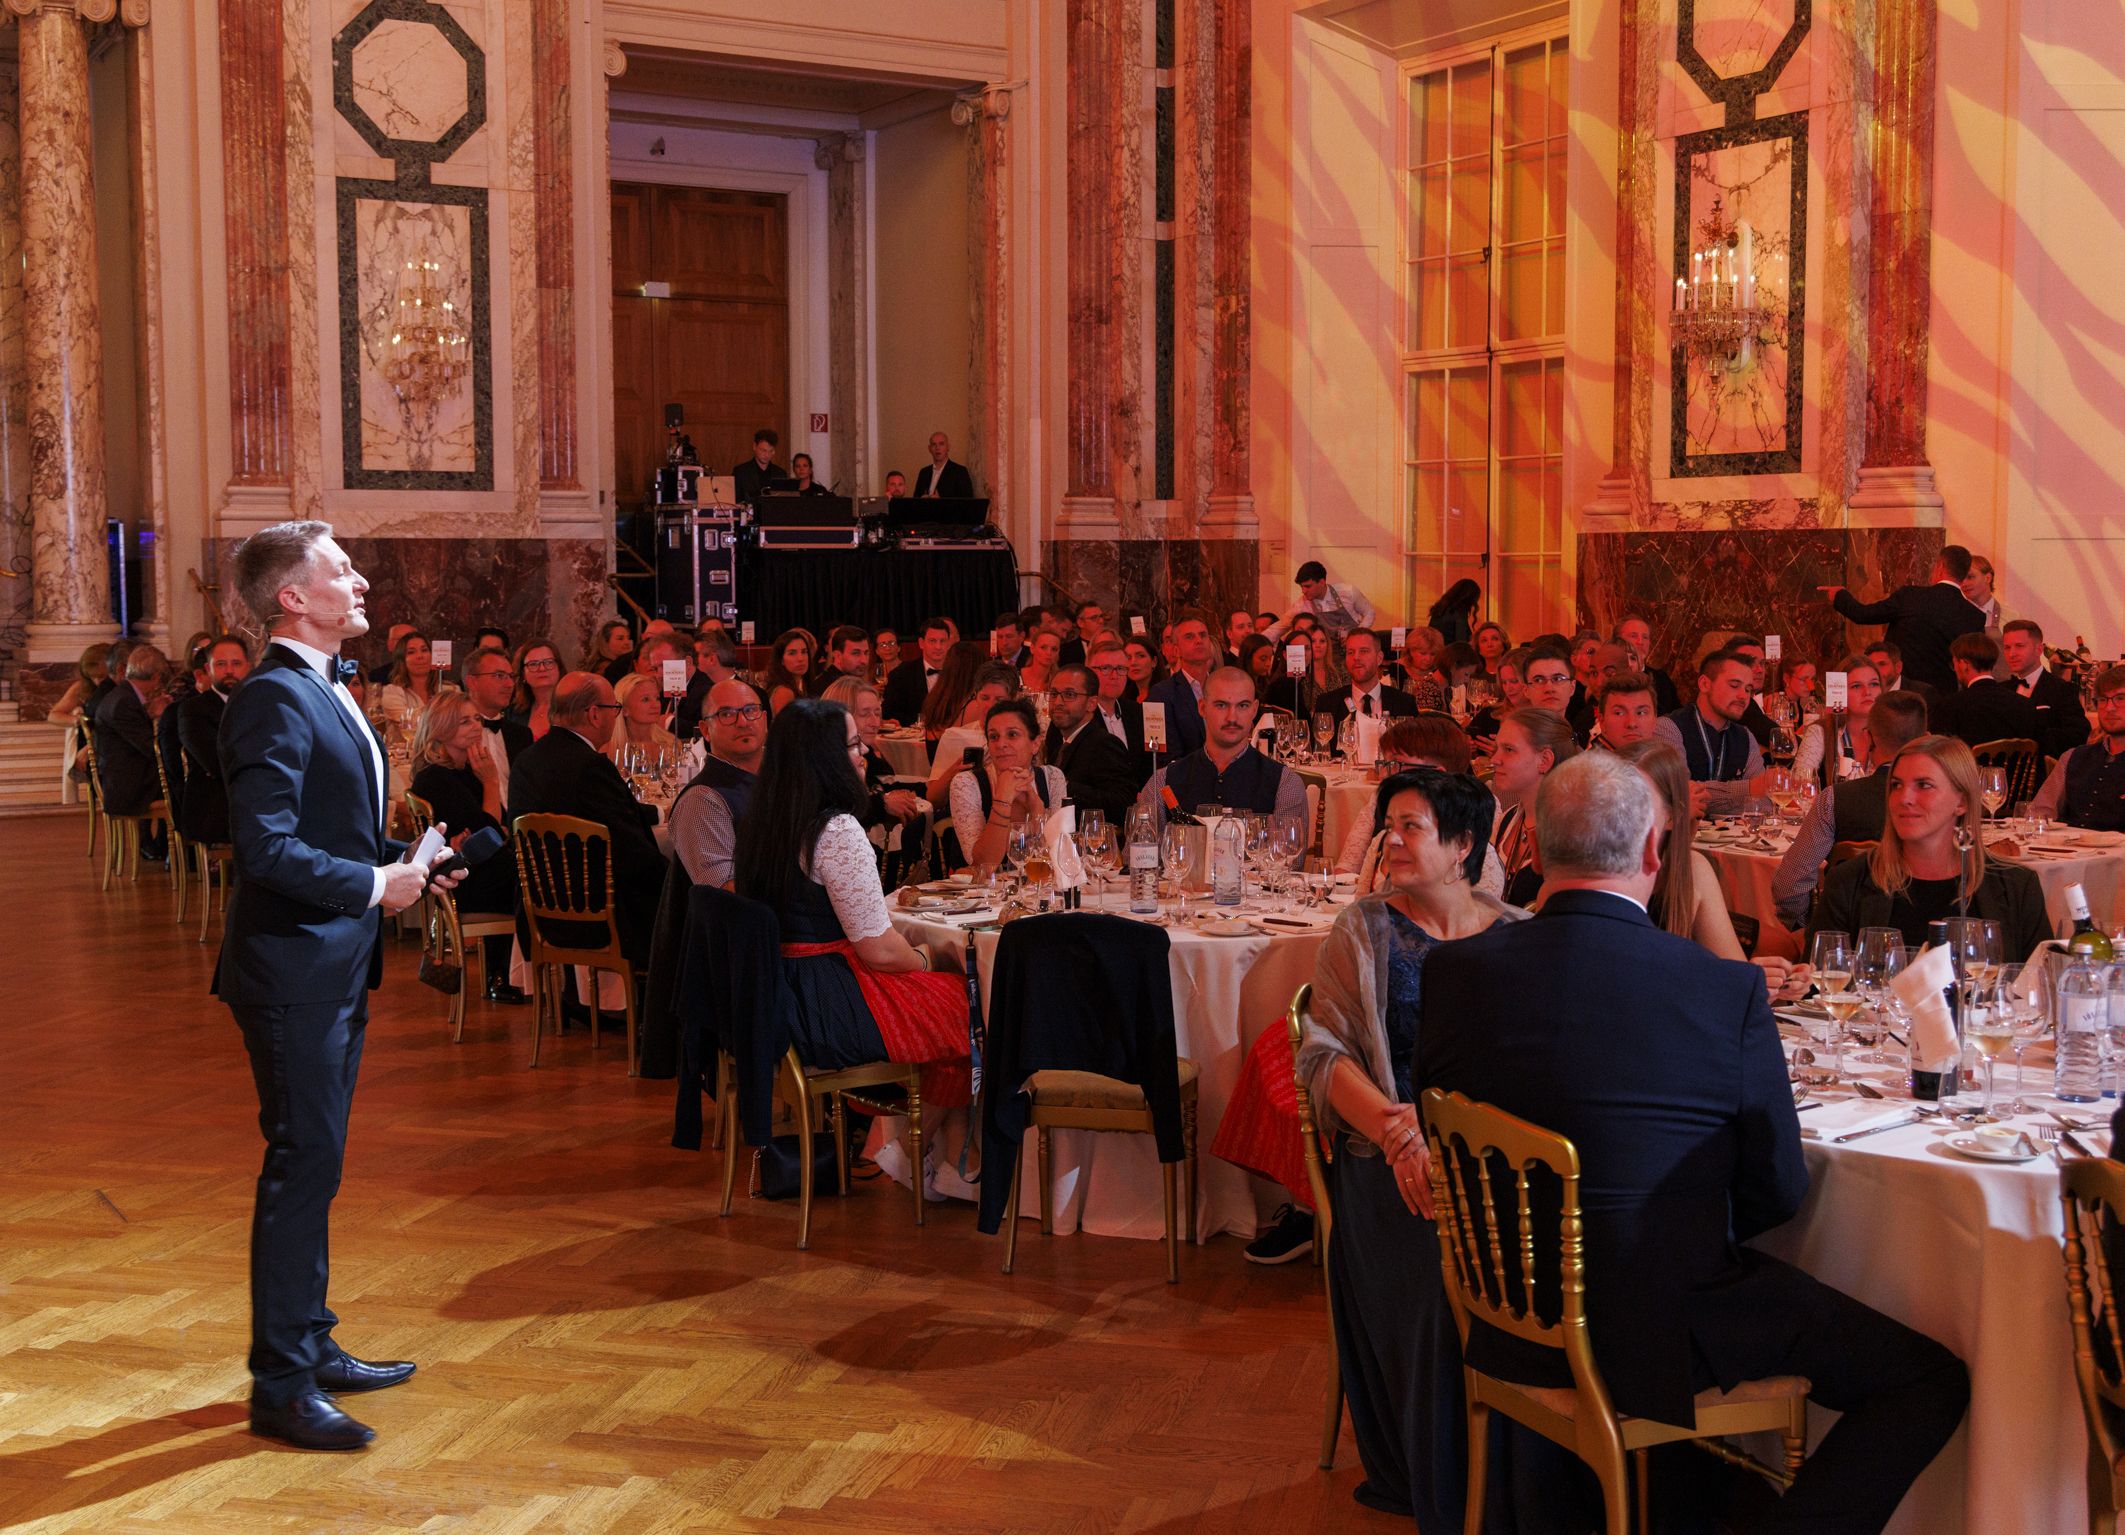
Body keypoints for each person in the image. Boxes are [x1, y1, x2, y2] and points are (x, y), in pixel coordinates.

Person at [1418, 751, 1969, 1534]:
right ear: (1652, 850)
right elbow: (1777, 1188)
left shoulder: (1454, 972)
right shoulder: (1718, 986)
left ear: (1533, 847)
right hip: (1653, 1327)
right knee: (1927, 1379)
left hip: (1505, 1309)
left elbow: (1443, 1127)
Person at [216, 520, 463, 1450]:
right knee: (301, 1162)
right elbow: (265, 848)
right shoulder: (273, 696)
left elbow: (327, 829)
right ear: (292, 597)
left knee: (317, 1161)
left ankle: (310, 1341)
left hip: (329, 961)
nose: (360, 580)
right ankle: (280, 1385)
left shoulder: (322, 686)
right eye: (341, 569)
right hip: (293, 968)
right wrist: (372, 884)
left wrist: (406, 862)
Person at [1291, 768, 1530, 1524]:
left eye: (1410, 826)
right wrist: (1398, 1136)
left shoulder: (1520, 934)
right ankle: (1446, 1479)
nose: (1389, 841)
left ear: (1462, 845)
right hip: (1386, 1165)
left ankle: (1530, 1473)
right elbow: (1322, 1055)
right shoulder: (1362, 930)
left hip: (1495, 1167)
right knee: (1441, 1278)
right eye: (1387, 825)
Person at [732, 699, 974, 1197]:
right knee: (970, 1007)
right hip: (828, 1001)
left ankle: (947, 1160)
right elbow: (880, 951)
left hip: (786, 993)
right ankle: (909, 1153)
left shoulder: (765, 817)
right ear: (823, 757)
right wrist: (928, 959)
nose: (863, 753)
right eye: (851, 745)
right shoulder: (836, 829)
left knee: (951, 1001)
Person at [1808, 733, 2052, 957]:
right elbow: (1817, 982)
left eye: (1924, 785)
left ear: (1962, 802)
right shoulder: (1849, 883)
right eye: (1896, 785)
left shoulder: (2017, 887)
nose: (1904, 798)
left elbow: (2041, 982)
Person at [506, 672, 669, 970]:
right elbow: (631, 852)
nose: (615, 717)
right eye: (614, 709)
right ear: (594, 714)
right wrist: (677, 880)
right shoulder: (590, 766)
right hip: (599, 916)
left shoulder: (526, 760)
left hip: (540, 912)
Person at [1615, 738, 1786, 982]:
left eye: (1639, 804)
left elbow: (1731, 973)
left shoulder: (1689, 870)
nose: (1621, 813)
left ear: (1672, 815)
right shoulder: (1593, 867)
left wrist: (1752, 983)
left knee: (1785, 946)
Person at [1772, 691, 1930, 927]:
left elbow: (1787, 886)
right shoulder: (1946, 802)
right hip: (1928, 934)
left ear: (1869, 738)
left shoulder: (1834, 800)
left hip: (1847, 936)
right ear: (1926, 739)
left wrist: (1807, 929)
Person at [408, 690, 519, 998]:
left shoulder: (464, 772)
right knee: (533, 879)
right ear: (441, 729)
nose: (476, 727)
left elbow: (499, 827)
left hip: (478, 871)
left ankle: (511, 974)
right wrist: (491, 783)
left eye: (476, 719)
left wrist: (491, 826)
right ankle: (518, 975)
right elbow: (491, 835)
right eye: (464, 721)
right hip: (462, 883)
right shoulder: (436, 777)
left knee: (525, 870)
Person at [1331, 717, 1507, 901]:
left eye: (1395, 765)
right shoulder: (1381, 841)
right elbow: (1361, 907)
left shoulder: (1475, 851)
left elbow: (1483, 916)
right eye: (1385, 764)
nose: (1384, 775)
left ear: (1437, 775)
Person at [1135, 667, 1307, 832]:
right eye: (1221, 705)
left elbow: (1290, 852)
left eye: (1243, 705)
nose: (1232, 717)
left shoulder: (1284, 784)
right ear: (1202, 708)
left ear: (1254, 710)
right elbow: (1141, 849)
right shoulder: (1163, 782)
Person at [1821, 545, 1985, 697]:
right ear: (1963, 575)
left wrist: (1840, 596)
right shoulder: (1974, 616)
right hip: (1943, 695)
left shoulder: (1910, 596)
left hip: (1903, 693)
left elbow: (1863, 614)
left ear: (1940, 567)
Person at [949, 697, 1069, 872]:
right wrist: (1002, 800)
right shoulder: (967, 784)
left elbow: (1059, 858)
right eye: (994, 737)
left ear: (1035, 744)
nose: (1001, 744)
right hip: (982, 888)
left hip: (1038, 884)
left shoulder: (1052, 778)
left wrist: (1036, 808)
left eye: (1012, 734)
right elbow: (984, 866)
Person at [668, 678, 766, 889]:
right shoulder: (702, 799)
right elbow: (725, 892)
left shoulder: (782, 779)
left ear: (764, 719)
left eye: (751, 710)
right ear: (705, 730)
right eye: (727, 714)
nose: (743, 722)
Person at [1652, 649, 1765, 815]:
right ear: (1705, 684)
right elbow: (1678, 796)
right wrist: (1747, 789)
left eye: (1748, 690)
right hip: (1683, 832)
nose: (1743, 696)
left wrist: (1750, 791)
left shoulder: (1745, 737)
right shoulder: (1668, 728)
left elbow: (1764, 802)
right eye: (1734, 685)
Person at [1489, 707, 1576, 906]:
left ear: (1544, 760)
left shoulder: (1570, 834)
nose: (1495, 760)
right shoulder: (1508, 819)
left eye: (1509, 750)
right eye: (1497, 749)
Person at [1042, 663, 1143, 826]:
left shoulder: (1103, 744)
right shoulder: (1061, 745)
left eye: (1069, 694)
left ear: (1091, 703)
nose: (1058, 702)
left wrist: (1064, 785)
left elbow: (1123, 804)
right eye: (1054, 694)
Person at [2030, 664, 2125, 832]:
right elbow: (2039, 813)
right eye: (2103, 699)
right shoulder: (2072, 757)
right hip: (2068, 846)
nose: (2109, 708)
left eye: (2120, 698)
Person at [177, 636, 250, 848]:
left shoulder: (261, 703)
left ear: (248, 667)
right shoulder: (193, 709)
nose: (229, 671)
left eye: (236, 663)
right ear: (208, 669)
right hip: (217, 806)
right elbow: (216, 761)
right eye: (221, 664)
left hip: (260, 799)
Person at [93, 643, 171, 832]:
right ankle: (176, 847)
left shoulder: (123, 695)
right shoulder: (124, 702)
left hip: (127, 778)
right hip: (128, 788)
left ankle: (166, 845)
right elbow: (151, 748)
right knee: (186, 785)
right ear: (156, 677)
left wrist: (150, 713)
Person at [923, 661, 1019, 809]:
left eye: (999, 700)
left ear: (1013, 700)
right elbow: (933, 799)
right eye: (985, 698)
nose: (990, 706)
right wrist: (953, 773)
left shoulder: (1022, 738)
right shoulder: (955, 737)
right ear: (975, 697)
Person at [1929, 631, 2043, 752]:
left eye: (1954, 664)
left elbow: (1940, 755)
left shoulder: (1949, 706)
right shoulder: (2025, 705)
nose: (1955, 670)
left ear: (1964, 664)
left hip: (1968, 765)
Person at [2001, 618, 2091, 762]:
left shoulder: (2062, 689)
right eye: (2007, 647)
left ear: (2039, 649)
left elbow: (2078, 734)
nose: (2012, 653)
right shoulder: (2002, 690)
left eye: (2019, 646)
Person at [1791, 656, 1883, 786]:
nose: (1867, 692)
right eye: (1856, 686)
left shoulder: (1891, 734)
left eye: (1874, 684)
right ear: (1839, 692)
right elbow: (1798, 786)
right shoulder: (1820, 732)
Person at [1144, 609, 1219, 758]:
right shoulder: (1161, 694)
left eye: (1203, 635)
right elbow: (1163, 754)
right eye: (1189, 637)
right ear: (1176, 650)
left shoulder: (1222, 687)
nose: (1199, 640)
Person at [1320, 628, 1417, 728]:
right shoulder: (1327, 705)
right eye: (1351, 652)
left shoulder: (1404, 703)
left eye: (1363, 651)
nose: (1356, 657)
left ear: (1379, 658)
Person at [1264, 560, 1375, 644]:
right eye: (1302, 587)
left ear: (1322, 582)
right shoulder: (1302, 605)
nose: (1303, 591)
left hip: (1354, 647)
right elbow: (1279, 627)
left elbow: (1369, 613)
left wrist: (1356, 635)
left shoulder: (1348, 592)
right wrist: (1259, 642)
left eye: (1308, 586)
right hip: (1328, 655)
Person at [1085, 638, 1152, 775]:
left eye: (1120, 669)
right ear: (1088, 672)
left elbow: (1149, 763)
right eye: (1105, 668)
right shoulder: (1080, 716)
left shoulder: (1137, 713)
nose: (1114, 675)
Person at [882, 615, 953, 725]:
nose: (938, 647)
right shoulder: (900, 675)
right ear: (921, 643)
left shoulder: (959, 674)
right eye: (932, 641)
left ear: (949, 644)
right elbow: (889, 714)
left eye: (942, 641)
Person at [1262, 627, 1342, 718]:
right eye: (1297, 649)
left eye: (1307, 648)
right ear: (1285, 654)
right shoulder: (1280, 685)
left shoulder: (1304, 679)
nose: (1303, 653)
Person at [608, 672, 681, 764]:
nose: (656, 705)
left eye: (657, 698)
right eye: (645, 699)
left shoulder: (671, 744)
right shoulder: (610, 750)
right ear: (625, 709)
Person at [1615, 614, 1682, 715]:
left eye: (1645, 637)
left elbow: (1676, 714)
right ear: (1617, 641)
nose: (1640, 642)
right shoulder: (1607, 675)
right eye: (1633, 636)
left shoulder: (1662, 679)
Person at [508, 638, 563, 740]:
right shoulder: (514, 713)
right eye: (533, 664)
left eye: (548, 662)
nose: (542, 668)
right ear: (523, 674)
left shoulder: (574, 708)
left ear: (559, 668)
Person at [46, 640, 110, 725]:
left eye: (101, 676)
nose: (97, 682)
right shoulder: (81, 687)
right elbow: (53, 716)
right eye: (92, 677)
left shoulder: (122, 687)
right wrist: (77, 720)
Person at [1592, 671, 1661, 749]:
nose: (1631, 724)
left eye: (1641, 713)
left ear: (1655, 719)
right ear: (1602, 721)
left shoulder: (1667, 755)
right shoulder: (1588, 758)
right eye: (1619, 713)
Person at [378, 631, 438, 717]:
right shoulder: (392, 691)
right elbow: (405, 719)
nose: (420, 656)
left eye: (424, 650)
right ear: (402, 661)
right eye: (411, 652)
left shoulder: (450, 690)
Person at [761, 628, 817, 716]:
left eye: (804, 652)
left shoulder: (801, 686)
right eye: (792, 653)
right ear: (781, 660)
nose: (800, 658)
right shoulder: (784, 692)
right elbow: (787, 725)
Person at [1397, 626, 1448, 711]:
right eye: (1423, 653)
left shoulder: (1440, 671)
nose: (1428, 659)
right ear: (1411, 651)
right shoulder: (1397, 669)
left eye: (1433, 654)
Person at [732, 427, 786, 505]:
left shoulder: (780, 474)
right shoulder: (741, 472)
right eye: (763, 450)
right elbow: (735, 500)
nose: (767, 455)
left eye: (771, 451)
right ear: (754, 446)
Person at [913, 431, 974, 498]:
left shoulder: (960, 472)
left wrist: (941, 502)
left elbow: (968, 501)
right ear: (929, 448)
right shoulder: (924, 472)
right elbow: (915, 499)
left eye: (941, 444)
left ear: (948, 447)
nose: (937, 448)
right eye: (934, 444)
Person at [814, 625, 872, 693]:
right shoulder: (827, 688)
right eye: (856, 653)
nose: (864, 660)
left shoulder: (851, 682)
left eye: (866, 653)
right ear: (838, 656)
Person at [1425, 578, 1480, 649]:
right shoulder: (1459, 612)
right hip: (1451, 652)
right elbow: (1461, 641)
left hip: (1435, 650)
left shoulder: (1440, 609)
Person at [1961, 553, 2003, 630]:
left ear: (1987, 578)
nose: (1964, 584)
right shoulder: (1954, 615)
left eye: (1970, 577)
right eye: (1961, 578)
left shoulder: (2011, 616)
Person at [1234, 633, 1279, 702]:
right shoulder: (1238, 685)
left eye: (1270, 659)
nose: (1268, 664)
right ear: (1248, 658)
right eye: (1263, 659)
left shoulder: (1264, 683)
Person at [1018, 628, 1062, 695]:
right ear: (1032, 648)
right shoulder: (1016, 677)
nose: (1049, 653)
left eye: (1054, 649)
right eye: (1043, 647)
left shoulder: (1060, 682)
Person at [1121, 634, 1162, 700]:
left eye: (1141, 656)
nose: (1133, 663)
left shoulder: (1166, 695)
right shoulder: (1123, 697)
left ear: (1154, 661)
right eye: (1128, 658)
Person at [593, 620, 635, 684]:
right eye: (620, 638)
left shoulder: (623, 664)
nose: (627, 642)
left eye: (628, 638)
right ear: (606, 642)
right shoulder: (604, 669)